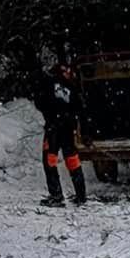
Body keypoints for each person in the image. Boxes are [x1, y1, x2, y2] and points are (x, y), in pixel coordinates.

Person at [32, 58, 86, 207]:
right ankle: (81, 195)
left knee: (49, 161)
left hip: (53, 129)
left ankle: (56, 195)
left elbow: (40, 102)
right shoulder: (73, 87)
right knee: (73, 161)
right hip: (68, 129)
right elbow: (80, 110)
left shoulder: (47, 83)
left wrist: (51, 115)